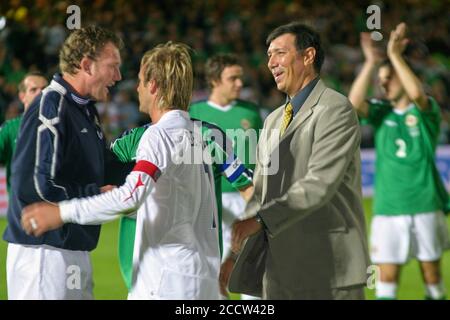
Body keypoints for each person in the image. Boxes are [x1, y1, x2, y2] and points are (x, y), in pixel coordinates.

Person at [21, 42, 222, 300]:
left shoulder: (158, 136)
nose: (136, 88)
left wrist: (62, 212)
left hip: (167, 280)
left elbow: (130, 197)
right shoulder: (197, 137)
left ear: (153, 85)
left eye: (139, 80)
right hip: (202, 277)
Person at [227, 22, 370, 300]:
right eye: (269, 55)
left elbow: (318, 184)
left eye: (279, 53)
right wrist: (239, 247)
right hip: (279, 272)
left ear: (308, 56)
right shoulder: (271, 121)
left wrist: (260, 220)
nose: (270, 63)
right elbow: (261, 192)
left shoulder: (336, 110)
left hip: (329, 269)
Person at [3, 26, 123, 300]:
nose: (118, 76)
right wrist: (95, 195)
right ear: (86, 65)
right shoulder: (51, 104)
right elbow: (35, 185)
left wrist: (154, 168)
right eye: (112, 67)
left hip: (71, 246)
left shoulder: (83, 108)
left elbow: (105, 166)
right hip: (44, 253)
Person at [348, 23, 450, 300]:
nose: (382, 84)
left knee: (431, 276)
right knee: (386, 279)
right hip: (388, 208)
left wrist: (395, 56)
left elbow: (416, 94)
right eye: (380, 80)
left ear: (402, 79)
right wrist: (371, 62)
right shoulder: (381, 113)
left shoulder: (425, 111)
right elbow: (353, 103)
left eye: (388, 79)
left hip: (425, 204)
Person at [110, 120, 253, 297]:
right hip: (153, 281)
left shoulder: (207, 136)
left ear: (153, 90)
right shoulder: (132, 140)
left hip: (184, 278)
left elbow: (252, 192)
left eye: (142, 88)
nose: (138, 90)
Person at [189, 54, 263, 298]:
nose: (239, 84)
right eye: (233, 78)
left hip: (248, 199)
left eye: (240, 78)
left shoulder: (252, 113)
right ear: (214, 80)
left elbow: (265, 157)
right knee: (213, 271)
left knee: (251, 268)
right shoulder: (193, 113)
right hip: (210, 202)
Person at [0, 72, 48, 194]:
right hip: (21, 208)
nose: (40, 93)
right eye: (33, 90)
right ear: (22, 97)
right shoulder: (10, 128)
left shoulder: (62, 125)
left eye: (44, 89)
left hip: (54, 206)